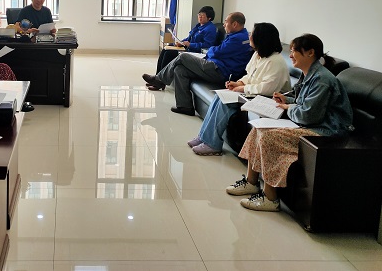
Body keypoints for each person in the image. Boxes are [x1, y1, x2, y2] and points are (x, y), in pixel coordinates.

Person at [226, 33, 353, 212]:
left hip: (327, 132)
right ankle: (251, 183)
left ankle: (270, 198)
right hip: (312, 125)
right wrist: (286, 100)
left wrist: (287, 107)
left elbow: (309, 115)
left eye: (294, 51)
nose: (290, 55)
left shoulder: (322, 79)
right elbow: (303, 102)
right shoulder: (309, 74)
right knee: (258, 129)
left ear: (310, 53)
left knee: (269, 137)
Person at [189, 22, 291, 155]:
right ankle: (203, 136)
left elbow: (267, 88)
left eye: (252, 34)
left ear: (261, 38)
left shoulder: (276, 61)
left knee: (226, 104)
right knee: (219, 96)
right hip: (253, 95)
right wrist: (238, 83)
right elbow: (250, 75)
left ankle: (212, 144)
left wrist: (243, 88)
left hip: (268, 100)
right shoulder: (258, 54)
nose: (249, 36)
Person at [142, 12, 253, 115]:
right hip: (216, 67)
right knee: (180, 69)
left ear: (234, 24)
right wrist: (213, 51)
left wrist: (211, 50)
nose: (224, 25)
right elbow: (218, 52)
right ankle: (185, 106)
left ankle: (159, 80)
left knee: (183, 57)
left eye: (226, 22)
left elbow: (217, 52)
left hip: (220, 71)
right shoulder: (237, 36)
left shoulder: (238, 39)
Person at [155, 5, 218, 73]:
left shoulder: (210, 29)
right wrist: (181, 42)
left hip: (195, 52)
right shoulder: (198, 26)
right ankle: (157, 75)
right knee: (166, 49)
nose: (200, 17)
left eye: (202, 15)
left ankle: (161, 77)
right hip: (187, 48)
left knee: (168, 54)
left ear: (209, 18)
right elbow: (189, 38)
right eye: (199, 14)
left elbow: (207, 45)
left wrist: (190, 44)